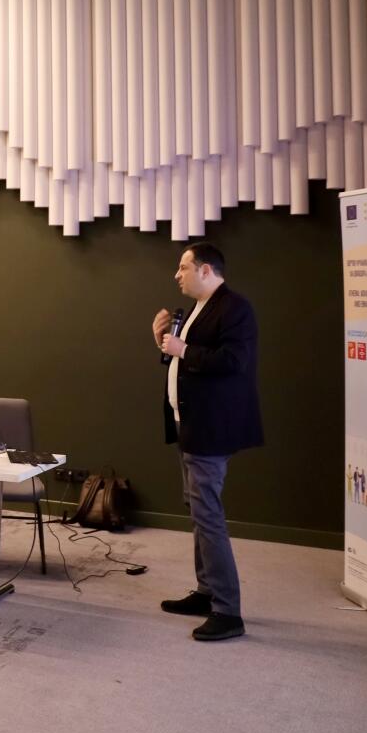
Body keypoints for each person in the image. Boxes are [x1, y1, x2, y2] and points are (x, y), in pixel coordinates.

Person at [153, 242, 262, 642]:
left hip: (212, 428)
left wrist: (183, 348)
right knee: (198, 511)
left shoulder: (235, 308)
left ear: (205, 270)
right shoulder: (199, 308)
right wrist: (164, 343)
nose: (176, 274)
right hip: (189, 425)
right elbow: (185, 363)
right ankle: (207, 591)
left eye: (183, 267)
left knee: (208, 515)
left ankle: (228, 611)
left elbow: (233, 362)